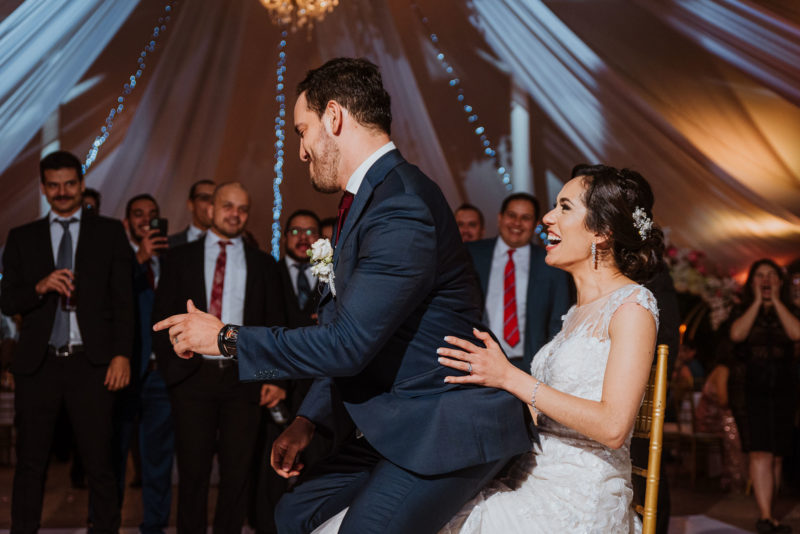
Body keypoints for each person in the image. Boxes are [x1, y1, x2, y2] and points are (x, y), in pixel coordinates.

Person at [154, 57, 533, 534]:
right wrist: (308, 421)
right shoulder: (367, 201)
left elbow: (347, 345)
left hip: (444, 423)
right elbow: (346, 332)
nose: (301, 151)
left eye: (302, 131)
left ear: (333, 117)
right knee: (291, 513)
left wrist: (226, 339)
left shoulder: (401, 206)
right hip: (399, 419)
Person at [431, 164, 664, 533]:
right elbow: (547, 412)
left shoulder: (633, 306)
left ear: (602, 232)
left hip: (578, 497)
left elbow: (613, 426)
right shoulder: (576, 313)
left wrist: (509, 377)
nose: (547, 218)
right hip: (528, 476)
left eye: (565, 207)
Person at [1, 150, 134, 532]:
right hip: (38, 365)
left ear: (81, 184)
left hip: (92, 365)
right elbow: (7, 300)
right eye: (54, 185)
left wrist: (122, 355)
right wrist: (39, 286)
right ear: (43, 188)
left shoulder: (109, 233)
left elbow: (124, 302)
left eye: (69, 184)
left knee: (100, 463)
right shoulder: (22, 237)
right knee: (30, 464)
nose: (62, 192)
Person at [152, 182, 287, 533]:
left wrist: (273, 377)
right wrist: (174, 373)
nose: (235, 214)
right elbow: (162, 314)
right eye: (228, 206)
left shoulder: (264, 264)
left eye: (242, 209)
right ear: (211, 209)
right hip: (191, 378)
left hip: (245, 379)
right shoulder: (179, 258)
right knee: (192, 474)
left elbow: (274, 323)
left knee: (237, 475)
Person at [729, 258, 800, 534]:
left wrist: (777, 302)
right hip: (750, 391)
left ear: (780, 282)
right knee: (760, 452)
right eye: (760, 275)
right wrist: (758, 302)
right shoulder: (741, 309)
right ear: (752, 282)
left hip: (784, 390)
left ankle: (771, 515)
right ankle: (766, 516)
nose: (766, 279)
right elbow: (737, 335)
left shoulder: (791, 310)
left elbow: (796, 334)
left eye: (771, 275)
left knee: (777, 455)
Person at [466, 192, 572, 371]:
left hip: (528, 367)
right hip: (476, 360)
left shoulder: (552, 264)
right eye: (511, 215)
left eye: (525, 218)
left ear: (536, 224)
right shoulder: (470, 255)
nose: (517, 223)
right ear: (500, 218)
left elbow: (558, 322)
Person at [121, 193, 174, 533]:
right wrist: (138, 259)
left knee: (157, 458)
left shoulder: (171, 260)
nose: (145, 220)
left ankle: (154, 526)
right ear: (127, 222)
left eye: (152, 214)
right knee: (113, 454)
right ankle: (105, 523)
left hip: (160, 375)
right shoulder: (117, 259)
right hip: (123, 372)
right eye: (138, 214)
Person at [694, 355, 748, 492]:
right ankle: (737, 479)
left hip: (718, 417)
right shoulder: (723, 370)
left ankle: (741, 477)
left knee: (738, 426)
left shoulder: (724, 370)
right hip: (710, 419)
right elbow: (723, 400)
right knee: (735, 430)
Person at [168, 179, 216, 247]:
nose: (211, 204)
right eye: (204, 198)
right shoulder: (169, 244)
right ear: (190, 205)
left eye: (215, 199)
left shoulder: (227, 244)